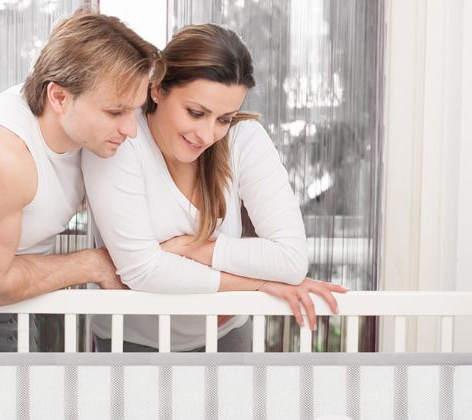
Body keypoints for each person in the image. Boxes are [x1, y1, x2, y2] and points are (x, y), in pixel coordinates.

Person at [82, 23, 346, 353]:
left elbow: (291, 260)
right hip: (134, 342)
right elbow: (143, 271)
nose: (207, 135)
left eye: (223, 119)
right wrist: (258, 284)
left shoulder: (244, 138)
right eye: (195, 113)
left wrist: (192, 248)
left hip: (226, 337)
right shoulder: (120, 138)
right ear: (158, 89)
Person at [0, 11, 163, 351]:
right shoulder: (1, 156)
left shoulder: (85, 135)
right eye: (115, 112)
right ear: (58, 97)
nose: (131, 130)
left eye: (133, 111)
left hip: (12, 304)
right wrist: (92, 263)